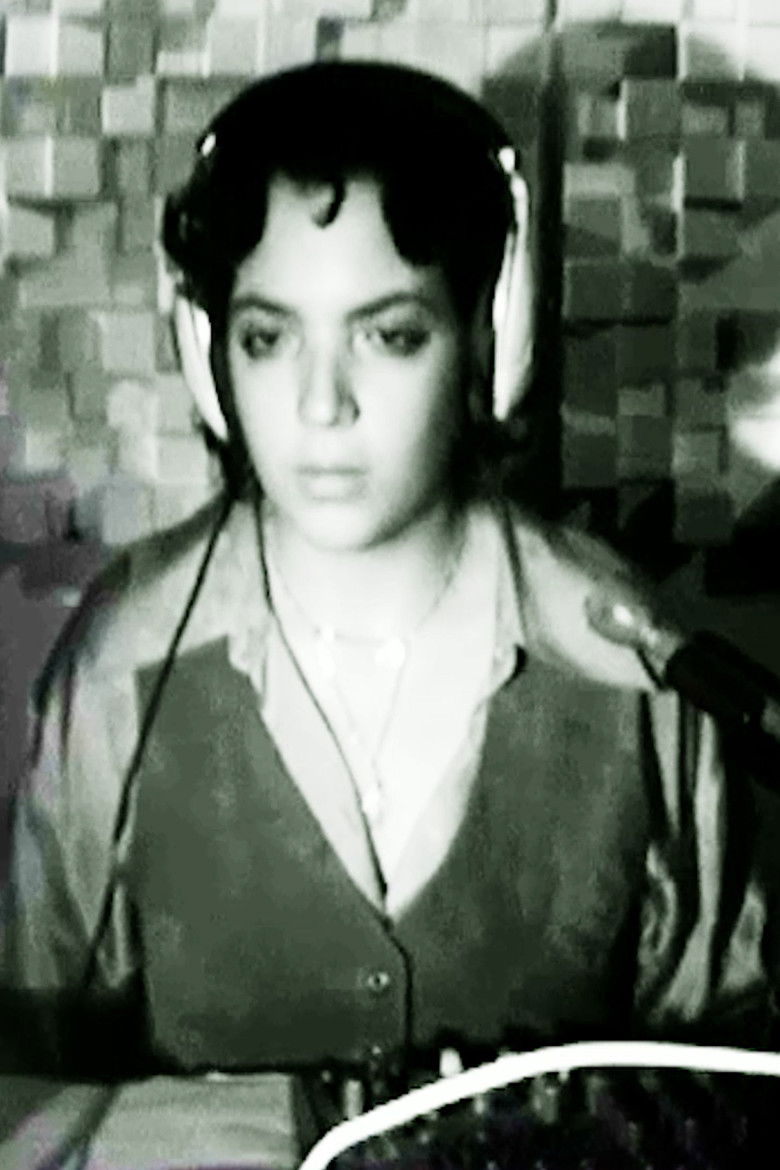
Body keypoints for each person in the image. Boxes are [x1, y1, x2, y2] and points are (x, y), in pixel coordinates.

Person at [0, 60, 776, 1156]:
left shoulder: (637, 669)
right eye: (268, 338)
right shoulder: (118, 670)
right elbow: (29, 1103)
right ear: (206, 355)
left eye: (390, 335)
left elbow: (728, 1098)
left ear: (491, 337)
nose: (321, 405)